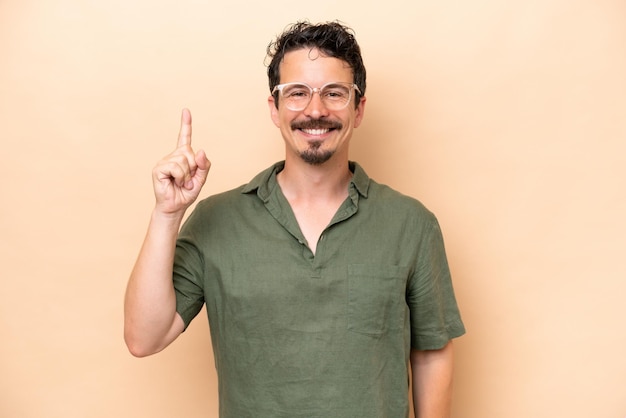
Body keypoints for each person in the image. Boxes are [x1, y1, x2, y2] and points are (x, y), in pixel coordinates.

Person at [124, 21, 465, 418]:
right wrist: (168, 213)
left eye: (334, 93)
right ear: (275, 108)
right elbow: (143, 338)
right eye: (297, 93)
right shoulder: (217, 220)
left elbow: (432, 352)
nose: (315, 110)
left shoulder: (411, 224)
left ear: (359, 109)